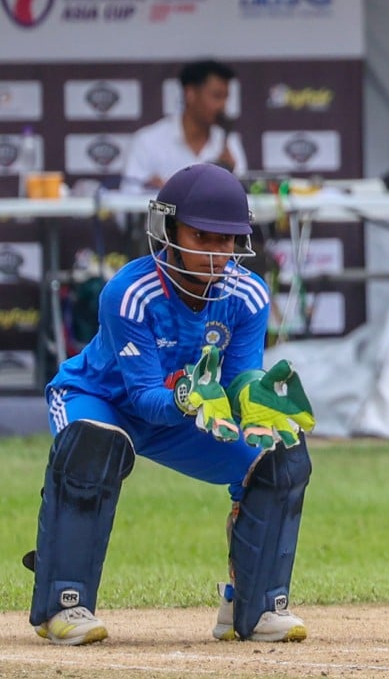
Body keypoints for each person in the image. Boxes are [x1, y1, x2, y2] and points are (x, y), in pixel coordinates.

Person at [27, 163, 315, 645]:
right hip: (101, 400)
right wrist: (187, 396)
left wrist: (255, 399)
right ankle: (63, 603)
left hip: (186, 411)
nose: (218, 253)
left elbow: (241, 371)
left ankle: (254, 604)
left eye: (229, 240)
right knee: (94, 451)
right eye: (203, 236)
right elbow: (142, 396)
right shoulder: (129, 292)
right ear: (167, 230)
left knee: (280, 456)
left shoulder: (247, 294)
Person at [121, 60, 248, 193]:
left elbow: (243, 202)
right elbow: (128, 199)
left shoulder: (229, 143)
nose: (222, 105)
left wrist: (230, 178)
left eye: (225, 97)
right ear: (190, 94)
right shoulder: (148, 141)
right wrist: (162, 192)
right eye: (216, 96)